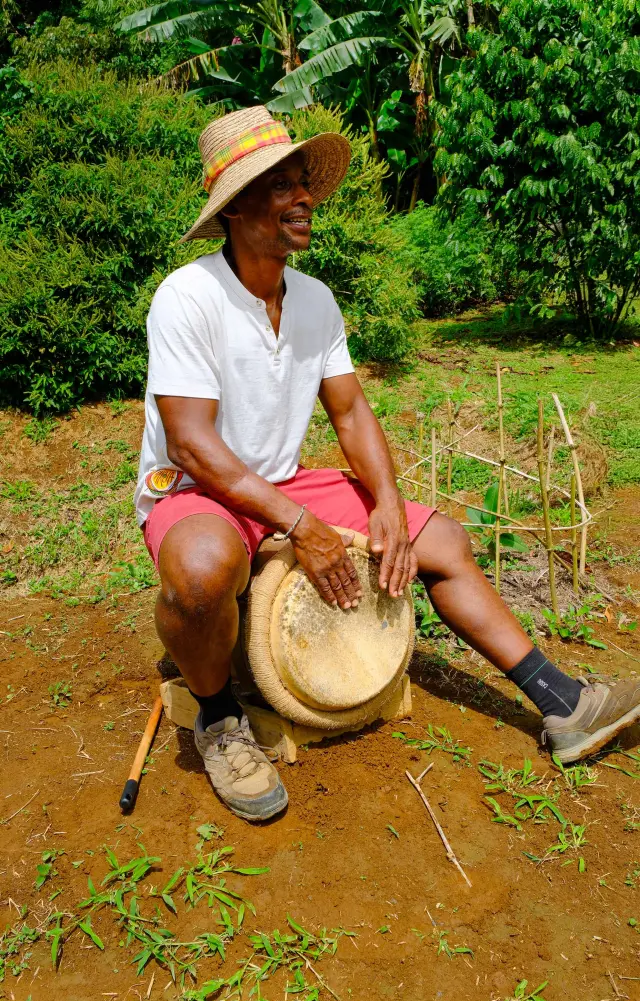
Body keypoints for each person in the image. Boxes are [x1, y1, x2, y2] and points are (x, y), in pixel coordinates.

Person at [135, 106, 640, 822]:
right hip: (196, 491)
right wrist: (302, 526)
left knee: (445, 542)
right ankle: (219, 719)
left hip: (279, 484)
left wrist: (389, 504)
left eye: (305, 184)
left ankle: (563, 703)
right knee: (199, 572)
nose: (305, 198)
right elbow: (190, 442)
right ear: (236, 205)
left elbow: (350, 413)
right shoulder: (188, 297)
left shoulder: (314, 300)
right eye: (283, 187)